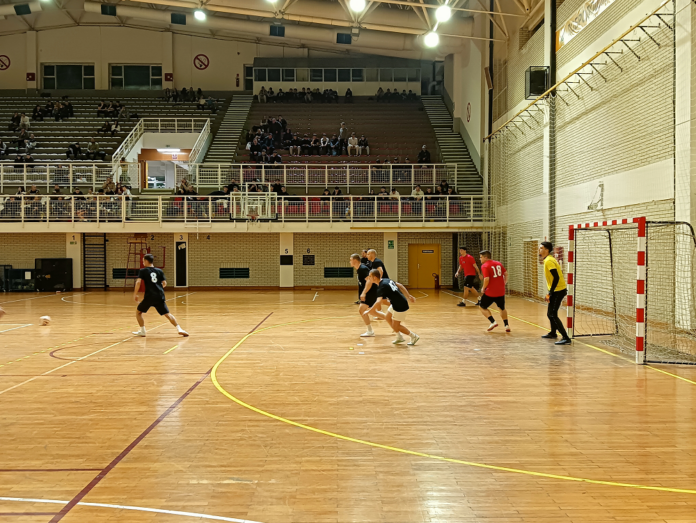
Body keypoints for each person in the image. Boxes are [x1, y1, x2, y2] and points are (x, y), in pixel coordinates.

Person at [132, 254, 188, 337]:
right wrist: (157, 288)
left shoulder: (143, 271)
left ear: (146, 261)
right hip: (159, 296)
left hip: (149, 296)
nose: (143, 262)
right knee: (167, 314)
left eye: (143, 261)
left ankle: (142, 331)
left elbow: (138, 282)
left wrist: (135, 294)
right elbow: (164, 283)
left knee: (138, 312)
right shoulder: (159, 271)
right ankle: (179, 329)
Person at [363, 269, 419, 345]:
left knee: (396, 326)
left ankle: (413, 336)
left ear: (375, 277)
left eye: (370, 276)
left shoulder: (381, 287)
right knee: (387, 317)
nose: (368, 278)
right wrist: (408, 296)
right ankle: (399, 337)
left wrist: (369, 311)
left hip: (400, 305)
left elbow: (378, 302)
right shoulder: (386, 280)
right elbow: (400, 285)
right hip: (396, 303)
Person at [540, 241, 572, 345]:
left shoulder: (549, 261)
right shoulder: (548, 259)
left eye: (541, 248)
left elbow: (556, 277)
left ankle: (566, 338)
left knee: (552, 314)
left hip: (558, 290)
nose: (539, 249)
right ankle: (553, 333)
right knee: (550, 314)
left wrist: (550, 292)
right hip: (555, 290)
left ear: (547, 250)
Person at [350, 254, 387, 335]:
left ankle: (370, 331)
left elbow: (369, 281)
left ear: (355, 261)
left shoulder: (363, 269)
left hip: (370, 292)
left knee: (362, 310)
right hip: (370, 292)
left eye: (351, 260)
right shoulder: (359, 269)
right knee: (373, 312)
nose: (350, 262)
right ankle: (392, 321)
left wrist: (364, 293)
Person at [478, 250, 510, 332]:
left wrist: (483, 288)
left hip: (491, 292)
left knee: (482, 307)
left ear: (486, 257)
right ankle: (506, 325)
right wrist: (504, 283)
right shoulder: (498, 263)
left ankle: (493, 322)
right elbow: (506, 274)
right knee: (502, 308)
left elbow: (486, 279)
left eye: (481, 257)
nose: (480, 259)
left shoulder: (485, 266)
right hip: (501, 291)